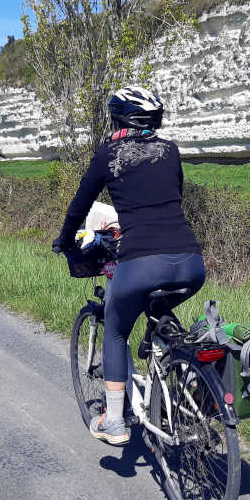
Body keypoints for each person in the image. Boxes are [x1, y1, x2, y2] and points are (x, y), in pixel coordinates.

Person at [52, 86, 205, 446]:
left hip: (140, 263)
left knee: (117, 330)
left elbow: (79, 205)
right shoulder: (170, 150)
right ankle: (186, 380)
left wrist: (64, 239)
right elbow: (173, 197)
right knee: (161, 320)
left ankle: (114, 421)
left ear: (117, 118)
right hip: (191, 263)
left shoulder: (109, 153)